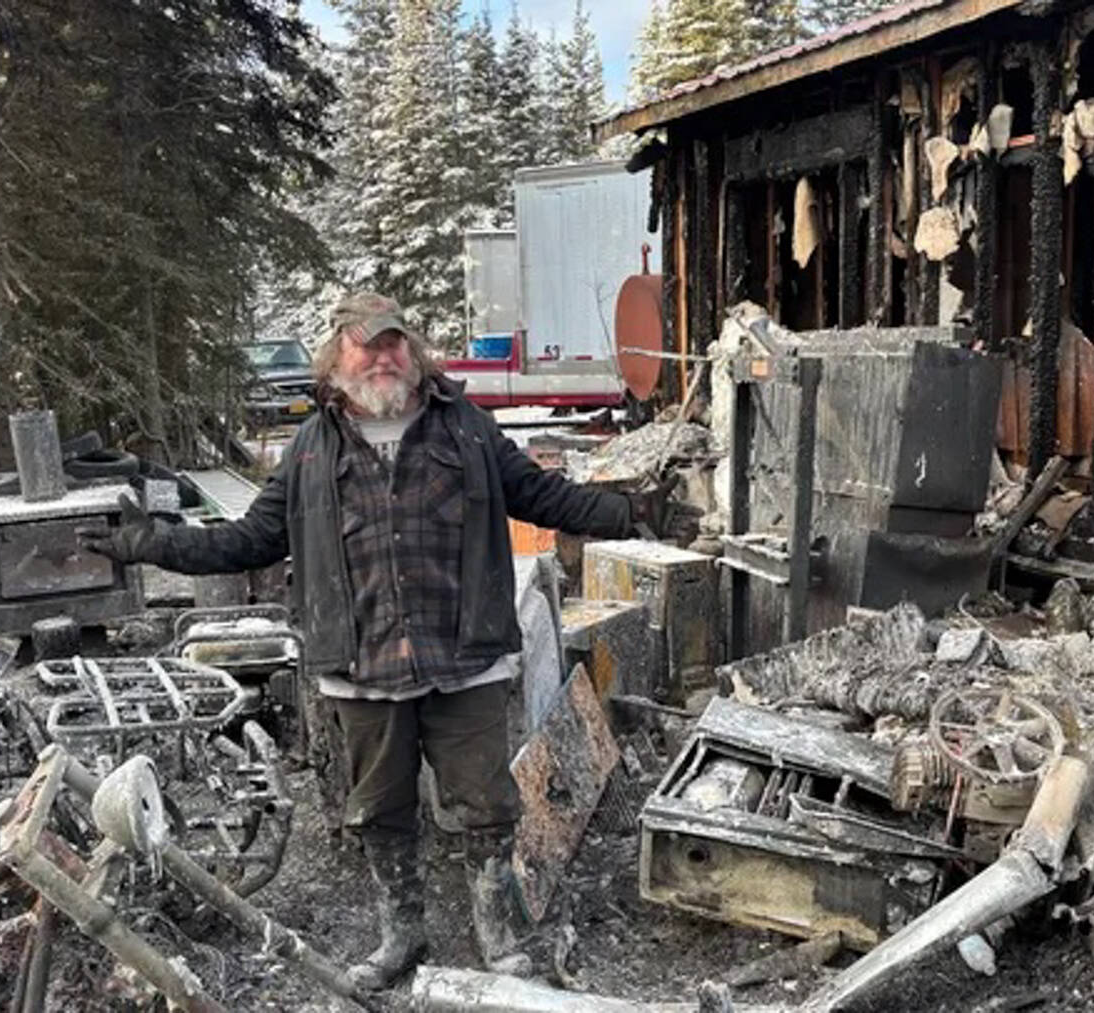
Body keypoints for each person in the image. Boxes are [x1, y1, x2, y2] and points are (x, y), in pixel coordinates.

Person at [81, 293, 660, 989]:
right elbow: (248, 540)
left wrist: (630, 509)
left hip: (465, 659)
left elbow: (545, 497)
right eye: (366, 345)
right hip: (361, 666)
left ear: (414, 354)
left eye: (394, 344)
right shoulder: (310, 450)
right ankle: (402, 936)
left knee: (486, 807)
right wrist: (153, 544)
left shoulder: (467, 429)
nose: (382, 357)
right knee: (381, 810)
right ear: (337, 358)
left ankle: (499, 937)